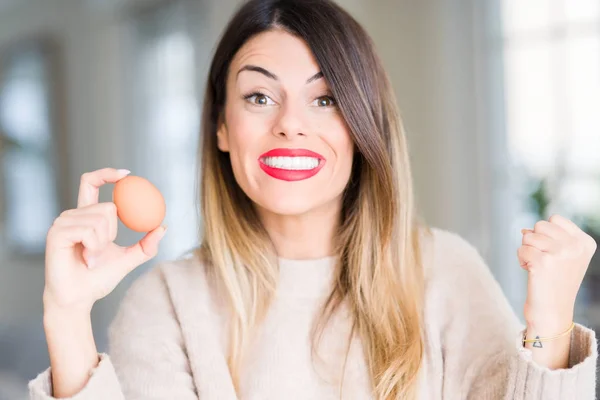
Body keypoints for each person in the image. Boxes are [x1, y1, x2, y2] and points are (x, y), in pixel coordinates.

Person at [29, 0, 598, 399]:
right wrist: (68, 315)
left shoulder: (446, 272)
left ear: (361, 125)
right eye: (258, 96)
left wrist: (550, 319)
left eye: (325, 100)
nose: (290, 126)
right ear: (221, 128)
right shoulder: (168, 304)